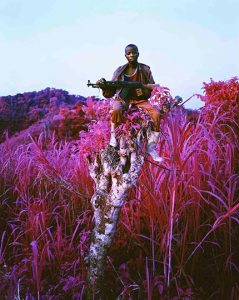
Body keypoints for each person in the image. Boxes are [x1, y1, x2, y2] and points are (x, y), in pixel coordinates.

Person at [97, 44, 163, 163]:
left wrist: (143, 91)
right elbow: (110, 92)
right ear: (125, 55)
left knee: (156, 114)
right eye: (129, 53)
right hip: (123, 99)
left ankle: (151, 148)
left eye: (134, 52)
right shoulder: (119, 71)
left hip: (140, 100)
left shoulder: (145, 69)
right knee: (116, 110)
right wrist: (103, 86)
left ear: (138, 53)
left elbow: (152, 88)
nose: (131, 55)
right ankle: (113, 137)